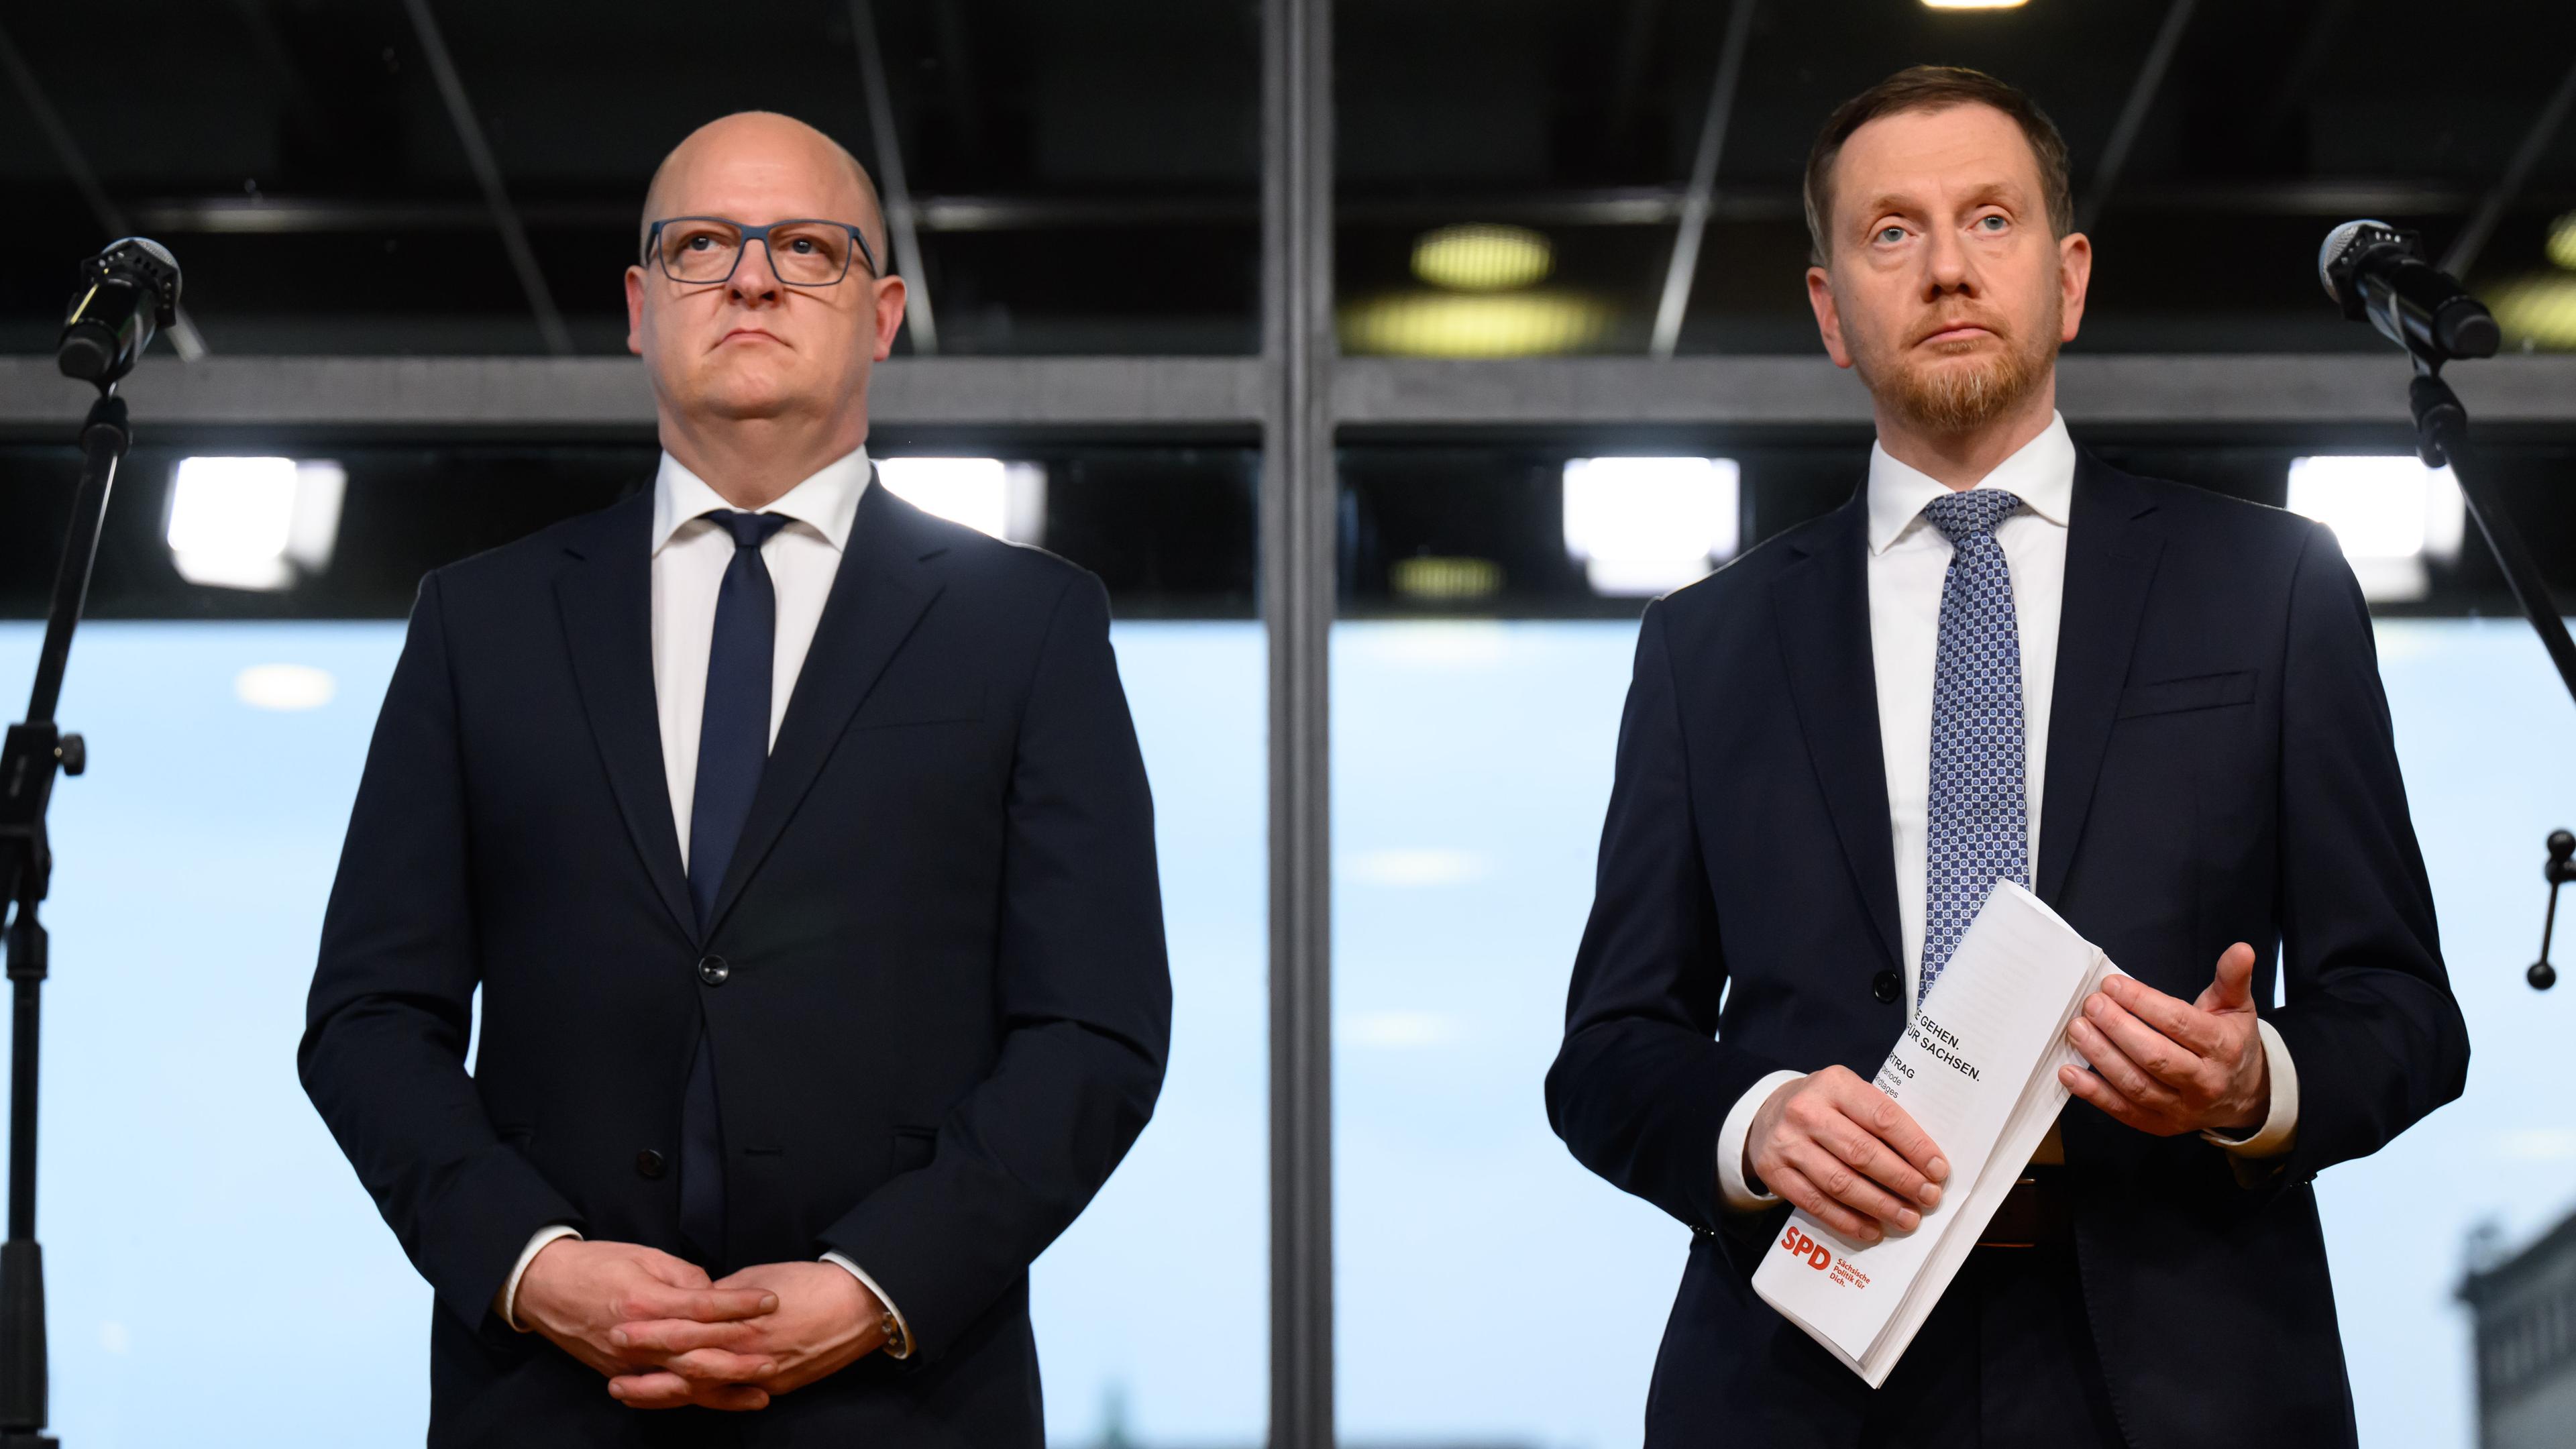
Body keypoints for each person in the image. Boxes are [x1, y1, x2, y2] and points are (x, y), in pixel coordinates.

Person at [1544, 66, 2467, 1447]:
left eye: (1991, 219)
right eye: (1893, 233)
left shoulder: (2268, 589)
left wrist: (2253, 1081)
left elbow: (2402, 1010)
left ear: (2070, 275)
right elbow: (1609, 1054)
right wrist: (1755, 1123)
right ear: (1830, 311)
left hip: (2186, 1369)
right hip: (1807, 1370)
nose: (1947, 267)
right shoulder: (1706, 648)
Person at [301, 111, 1171, 1444]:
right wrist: (535, 1266)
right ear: (641, 308)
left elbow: (1093, 1030)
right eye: (704, 244)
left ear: (883, 315)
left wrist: (872, 1286)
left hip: (903, 1400)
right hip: (549, 1397)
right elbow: (368, 1017)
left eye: (806, 248)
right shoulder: (480, 623)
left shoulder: (1032, 626)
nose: (753, 277)